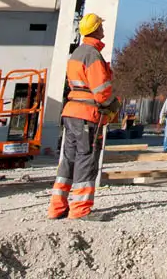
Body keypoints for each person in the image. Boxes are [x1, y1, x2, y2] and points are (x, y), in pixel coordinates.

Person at [48, 12, 117, 221]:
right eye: (101, 26)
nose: (103, 29)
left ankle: (57, 207)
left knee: (68, 159)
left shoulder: (77, 53)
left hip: (71, 112)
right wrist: (112, 104)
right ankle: (80, 210)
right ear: (95, 29)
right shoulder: (92, 55)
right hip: (87, 115)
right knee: (86, 159)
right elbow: (102, 90)